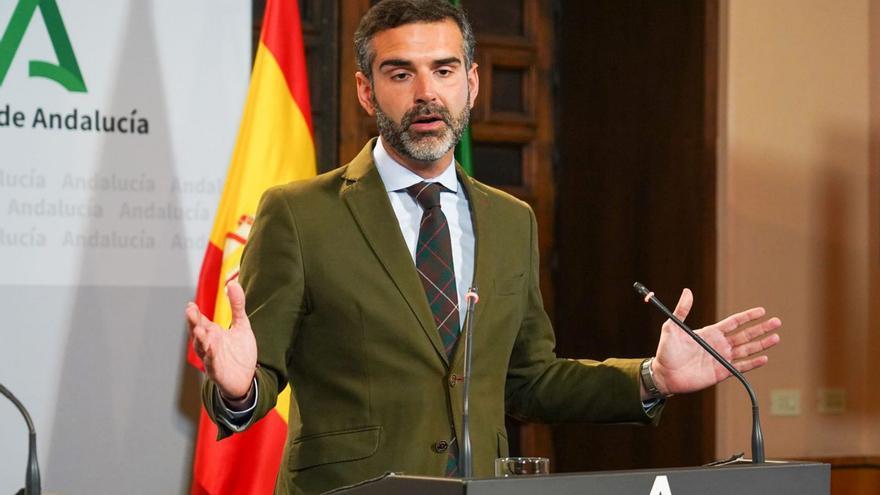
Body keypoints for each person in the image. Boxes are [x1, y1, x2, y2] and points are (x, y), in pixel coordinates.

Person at [186, 1, 782, 494]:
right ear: (367, 92)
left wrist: (652, 378)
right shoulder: (297, 213)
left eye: (444, 71)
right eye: (401, 74)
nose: (426, 94)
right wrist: (238, 388)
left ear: (471, 83)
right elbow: (256, 372)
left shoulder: (509, 219)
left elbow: (528, 379)